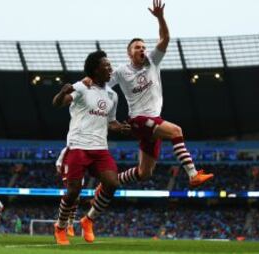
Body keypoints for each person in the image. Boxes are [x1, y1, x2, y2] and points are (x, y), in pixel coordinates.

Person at [87, 0, 213, 190]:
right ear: (129, 52)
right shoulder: (121, 70)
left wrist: (160, 18)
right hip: (139, 119)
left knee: (144, 173)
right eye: (137, 47)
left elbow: (165, 39)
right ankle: (193, 175)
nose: (142, 49)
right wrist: (87, 82)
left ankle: (108, 183)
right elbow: (102, 82)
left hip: (153, 121)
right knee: (176, 131)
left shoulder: (153, 61)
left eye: (143, 47)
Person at [52, 50, 130, 245]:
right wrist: (63, 92)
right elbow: (57, 104)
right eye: (107, 65)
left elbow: (110, 122)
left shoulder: (112, 95)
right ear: (95, 69)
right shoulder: (81, 87)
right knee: (73, 191)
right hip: (78, 146)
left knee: (112, 183)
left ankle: (88, 220)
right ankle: (60, 227)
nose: (111, 68)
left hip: (100, 148)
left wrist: (118, 126)